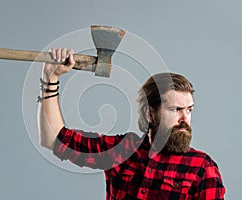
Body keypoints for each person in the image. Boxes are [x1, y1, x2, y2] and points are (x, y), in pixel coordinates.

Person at [37, 48, 226, 199]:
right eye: (176, 110)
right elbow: (52, 139)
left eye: (189, 110)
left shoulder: (202, 167)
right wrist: (50, 79)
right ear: (150, 114)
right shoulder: (122, 150)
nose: (185, 119)